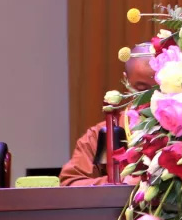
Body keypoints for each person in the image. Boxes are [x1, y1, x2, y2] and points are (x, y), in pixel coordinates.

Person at [59, 45, 156, 186]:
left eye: (159, 88)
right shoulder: (100, 134)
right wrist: (122, 183)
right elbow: (70, 183)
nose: (152, 97)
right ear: (126, 80)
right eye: (142, 89)